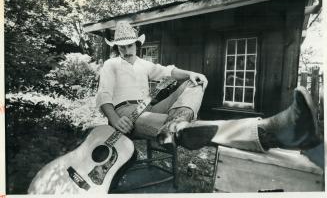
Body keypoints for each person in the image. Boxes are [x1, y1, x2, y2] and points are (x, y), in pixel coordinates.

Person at [97, 21, 322, 153]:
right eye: (121, 47)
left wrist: (192, 73)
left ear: (137, 44)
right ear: (116, 47)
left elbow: (168, 71)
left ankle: (176, 126)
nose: (126, 51)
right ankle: (270, 130)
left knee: (195, 81)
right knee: (178, 126)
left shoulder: (143, 63)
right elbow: (104, 95)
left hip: (150, 109)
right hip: (128, 116)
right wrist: (115, 119)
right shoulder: (111, 64)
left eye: (130, 46)